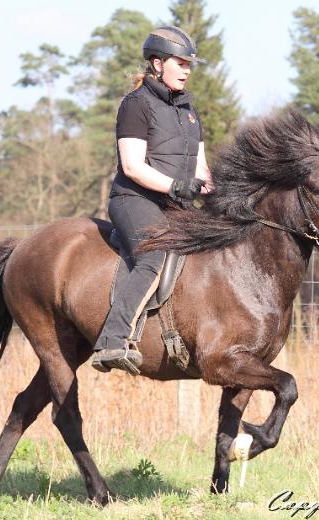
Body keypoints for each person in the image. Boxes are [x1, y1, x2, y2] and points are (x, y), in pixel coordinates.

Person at [91, 26, 213, 375]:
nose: (187, 69)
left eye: (190, 64)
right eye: (181, 62)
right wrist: (177, 186)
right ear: (157, 63)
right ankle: (112, 340)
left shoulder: (189, 111)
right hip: (135, 199)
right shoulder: (136, 104)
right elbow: (132, 166)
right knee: (153, 256)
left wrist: (216, 190)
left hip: (176, 203)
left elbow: (202, 167)